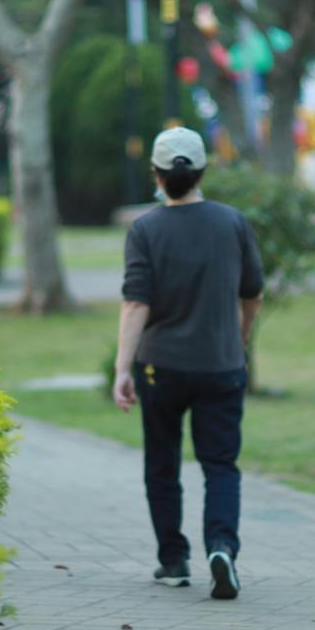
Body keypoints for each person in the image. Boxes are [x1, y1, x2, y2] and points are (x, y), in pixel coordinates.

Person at [113, 127, 265, 601]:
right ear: (202, 171)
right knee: (220, 464)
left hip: (161, 366)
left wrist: (123, 368)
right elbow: (253, 293)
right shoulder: (232, 223)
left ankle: (173, 559)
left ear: (156, 175)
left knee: (163, 463)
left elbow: (136, 305)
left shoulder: (145, 230)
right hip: (220, 365)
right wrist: (238, 340)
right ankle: (221, 546)